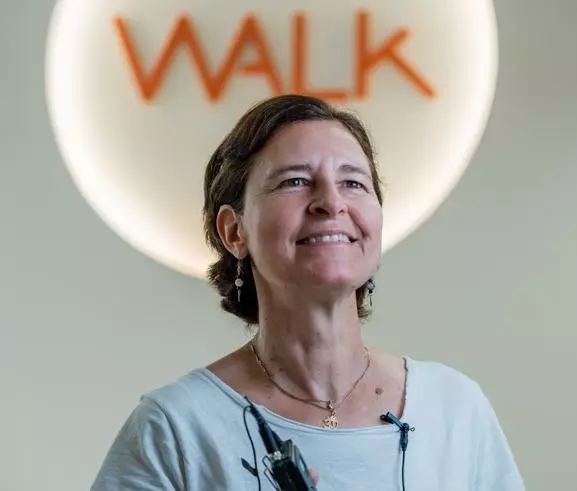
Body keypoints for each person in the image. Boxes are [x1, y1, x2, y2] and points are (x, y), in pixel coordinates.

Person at [91, 94, 525, 490]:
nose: (331, 203)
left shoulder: (456, 410)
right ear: (234, 231)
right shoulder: (175, 429)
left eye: (353, 183)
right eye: (295, 181)